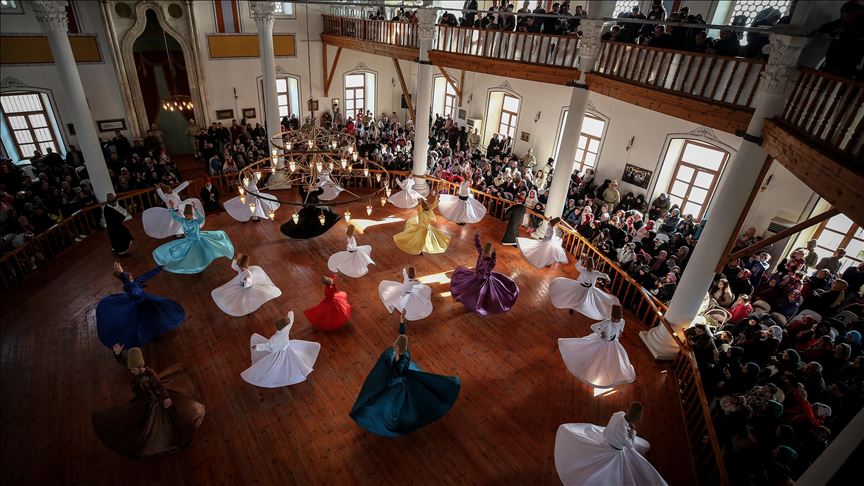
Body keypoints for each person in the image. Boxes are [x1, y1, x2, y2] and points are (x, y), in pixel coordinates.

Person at [349, 315, 461, 437]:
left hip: (397, 385)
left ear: (397, 348)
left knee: (391, 405)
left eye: (395, 345)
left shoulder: (398, 361)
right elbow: (402, 334)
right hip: (405, 379)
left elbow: (395, 372)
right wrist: (402, 321)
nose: (394, 345)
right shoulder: (405, 351)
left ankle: (393, 423)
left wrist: (391, 360)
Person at [92, 345, 205, 458]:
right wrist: (117, 354)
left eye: (133, 369)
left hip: (153, 403)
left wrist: (165, 397)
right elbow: (124, 361)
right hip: (142, 400)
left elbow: (159, 387)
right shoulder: (134, 367)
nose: (131, 371)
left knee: (153, 427)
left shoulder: (150, 376)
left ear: (140, 367)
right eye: (131, 369)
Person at [554, 402, 667, 486]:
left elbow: (619, 426)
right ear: (636, 419)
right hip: (614, 451)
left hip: (606, 440)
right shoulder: (624, 434)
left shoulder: (619, 414)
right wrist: (633, 433)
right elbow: (630, 446)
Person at [96, 262, 185, 348]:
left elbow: (147, 275)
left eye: (130, 276)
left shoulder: (137, 281)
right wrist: (121, 272)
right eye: (129, 277)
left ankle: (152, 330)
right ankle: (148, 333)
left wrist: (160, 268)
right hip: (138, 307)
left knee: (154, 317)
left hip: (146, 302)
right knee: (141, 322)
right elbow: (126, 280)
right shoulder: (129, 286)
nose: (131, 277)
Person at [558, 305, 635, 387]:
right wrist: (601, 333)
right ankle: (592, 369)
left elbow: (621, 326)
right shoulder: (606, 323)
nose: (616, 321)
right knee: (597, 355)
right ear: (612, 317)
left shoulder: (622, 321)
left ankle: (611, 371)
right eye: (615, 319)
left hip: (614, 342)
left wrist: (620, 332)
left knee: (614, 357)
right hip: (604, 341)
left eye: (618, 320)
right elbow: (593, 326)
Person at [240, 311, 321, 388]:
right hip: (287, 348)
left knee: (276, 365)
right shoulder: (287, 328)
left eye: (276, 326)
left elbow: (267, 346)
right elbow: (291, 321)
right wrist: (290, 314)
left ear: (278, 328)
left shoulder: (276, 338)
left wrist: (257, 347)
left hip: (279, 353)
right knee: (292, 361)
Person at [450, 233, 520, 315]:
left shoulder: (489, 261)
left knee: (480, 294)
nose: (484, 253)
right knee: (470, 290)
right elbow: (478, 245)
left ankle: (478, 305)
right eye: (484, 252)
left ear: (488, 253)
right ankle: (467, 300)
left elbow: (491, 264)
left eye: (485, 252)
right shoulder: (482, 254)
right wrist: (477, 237)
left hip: (484, 281)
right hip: (476, 277)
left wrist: (493, 256)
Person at [152, 205, 235, 274]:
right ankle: (196, 265)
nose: (186, 217)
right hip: (190, 241)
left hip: (199, 239)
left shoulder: (196, 222)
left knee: (207, 249)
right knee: (191, 255)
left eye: (188, 215)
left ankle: (204, 261)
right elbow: (174, 217)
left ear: (191, 215)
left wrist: (196, 209)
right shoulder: (183, 221)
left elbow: (201, 218)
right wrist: (171, 208)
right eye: (185, 215)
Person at [550, 256, 621, 320]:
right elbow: (577, 265)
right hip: (580, 287)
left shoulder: (594, 273)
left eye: (591, 267)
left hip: (588, 289)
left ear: (592, 267)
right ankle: (573, 307)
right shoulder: (584, 270)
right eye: (589, 267)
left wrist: (608, 279)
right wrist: (583, 259)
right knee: (575, 297)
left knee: (585, 299)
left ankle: (583, 307)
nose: (589, 269)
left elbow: (604, 275)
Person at [210, 253, 281, 317]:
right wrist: (235, 259)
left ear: (245, 267)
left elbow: (248, 284)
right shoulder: (241, 269)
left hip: (245, 287)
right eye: (241, 267)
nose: (241, 268)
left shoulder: (248, 274)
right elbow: (234, 266)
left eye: (242, 267)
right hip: (240, 283)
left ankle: (246, 309)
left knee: (243, 300)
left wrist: (243, 283)